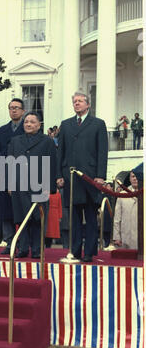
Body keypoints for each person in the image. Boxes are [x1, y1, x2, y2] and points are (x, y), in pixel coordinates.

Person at [56, 92, 108, 262]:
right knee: (74, 216)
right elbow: (60, 152)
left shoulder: (98, 124)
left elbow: (102, 151)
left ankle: (89, 252)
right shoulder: (66, 124)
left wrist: (100, 175)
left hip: (90, 177)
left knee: (91, 215)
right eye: (74, 101)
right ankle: (76, 250)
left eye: (80, 101)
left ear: (88, 104)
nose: (76, 104)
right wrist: (59, 175)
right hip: (70, 176)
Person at [7, 112, 57, 258]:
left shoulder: (47, 141)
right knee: (22, 217)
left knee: (37, 217)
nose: (28, 124)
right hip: (19, 184)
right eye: (26, 122)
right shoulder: (15, 141)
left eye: (32, 122)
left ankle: (37, 249)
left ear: (39, 125)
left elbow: (52, 164)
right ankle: (22, 248)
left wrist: (49, 186)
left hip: (39, 184)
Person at [0, 98, 26, 254]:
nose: (13, 110)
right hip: (5, 173)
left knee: (21, 210)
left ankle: (22, 242)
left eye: (17, 108)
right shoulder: (1, 131)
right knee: (6, 210)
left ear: (23, 111)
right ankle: (8, 242)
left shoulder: (28, 129)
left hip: (24, 174)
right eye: (11, 108)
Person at [113, 171, 138, 249]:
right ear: (130, 179)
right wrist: (116, 237)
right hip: (126, 238)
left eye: (137, 177)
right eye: (133, 176)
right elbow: (117, 218)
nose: (135, 179)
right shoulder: (122, 195)